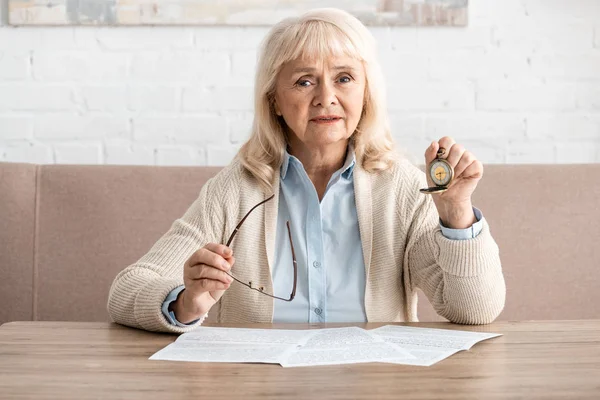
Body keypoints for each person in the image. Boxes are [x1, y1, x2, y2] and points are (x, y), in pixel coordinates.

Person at [107, 8, 505, 333]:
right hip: (258, 385)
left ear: (365, 94)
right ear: (275, 101)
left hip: (376, 385)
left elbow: (474, 311)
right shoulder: (236, 188)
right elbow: (127, 288)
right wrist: (186, 301)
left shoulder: (402, 188)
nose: (326, 98)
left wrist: (456, 215)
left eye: (344, 78)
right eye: (303, 81)